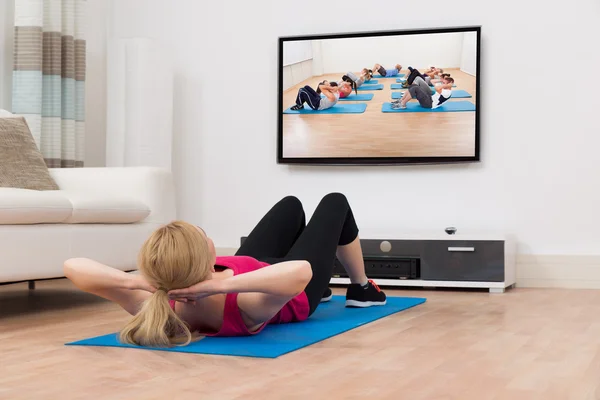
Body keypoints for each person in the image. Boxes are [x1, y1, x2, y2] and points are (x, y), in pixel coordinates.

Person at [63, 193, 387, 347]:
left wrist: (139, 283)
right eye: (203, 236)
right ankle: (361, 288)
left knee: (290, 205)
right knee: (334, 202)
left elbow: (72, 266)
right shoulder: (245, 305)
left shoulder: (151, 302)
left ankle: (331, 286)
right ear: (206, 255)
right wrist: (217, 287)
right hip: (287, 288)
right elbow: (300, 273)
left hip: (253, 272)